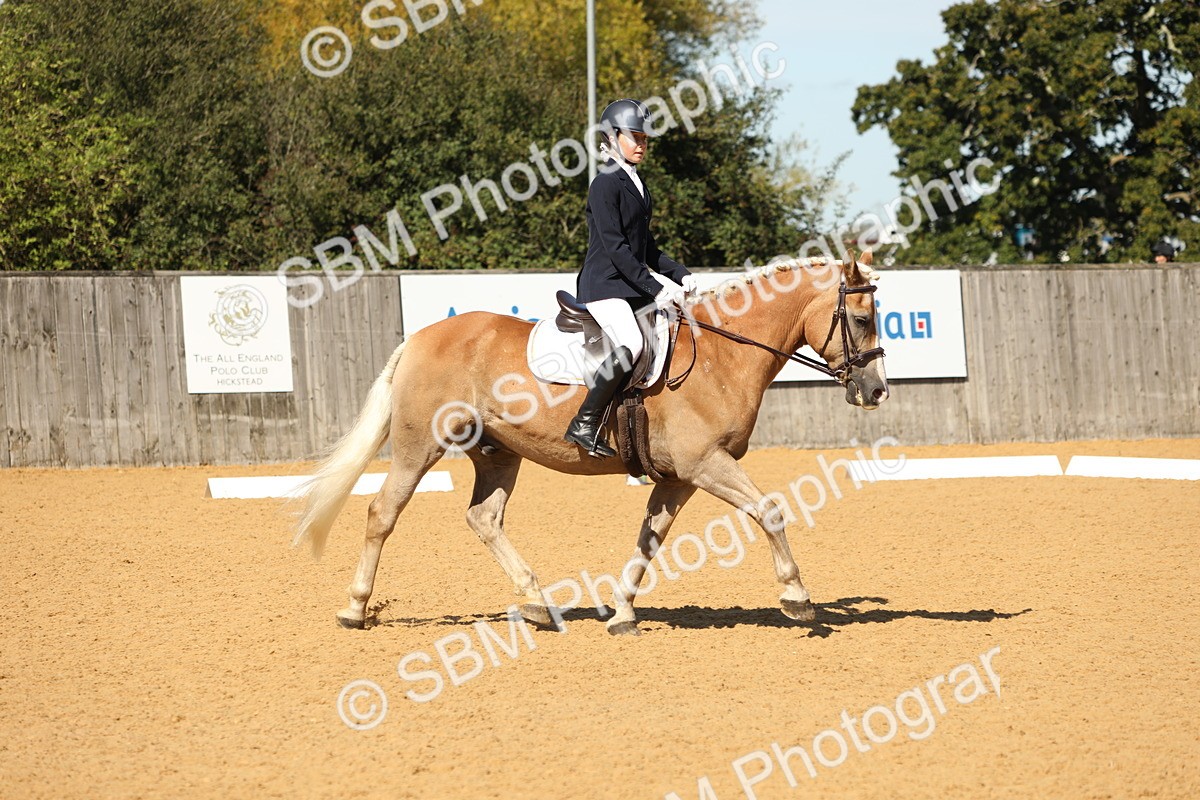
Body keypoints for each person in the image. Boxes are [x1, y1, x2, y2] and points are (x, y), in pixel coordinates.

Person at [564, 99, 697, 458]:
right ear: (611, 136)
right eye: (634, 136)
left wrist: (680, 275)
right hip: (604, 284)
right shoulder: (604, 184)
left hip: (628, 286)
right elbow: (617, 249)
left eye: (645, 138)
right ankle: (584, 423)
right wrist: (655, 287)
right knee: (631, 344)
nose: (641, 144)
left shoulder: (638, 185)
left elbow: (647, 249)